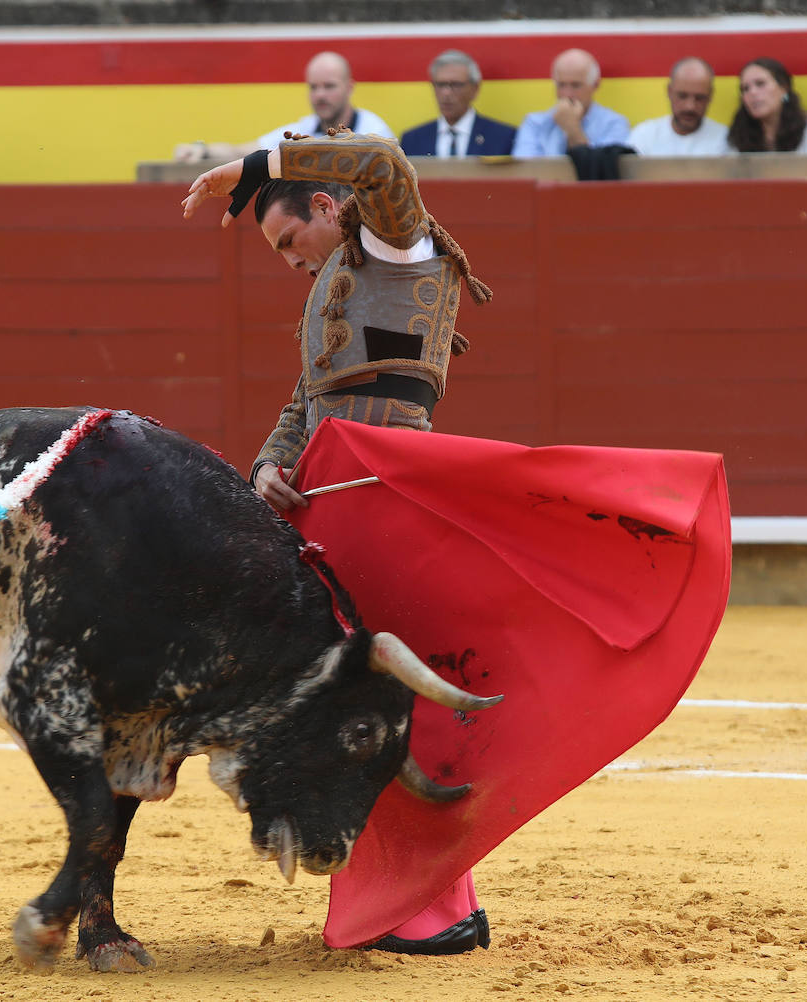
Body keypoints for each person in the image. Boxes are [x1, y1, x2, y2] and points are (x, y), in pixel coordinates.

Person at [180, 133, 493, 955]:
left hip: (389, 497)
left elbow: (383, 161)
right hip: (342, 502)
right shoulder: (343, 283)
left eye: (289, 240)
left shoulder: (394, 241)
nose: (288, 261)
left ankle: (423, 908)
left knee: (375, 705)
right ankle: (436, 901)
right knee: (371, 698)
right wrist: (270, 463)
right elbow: (308, 396)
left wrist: (255, 166)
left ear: (326, 207)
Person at [173, 51, 393, 163]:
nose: (320, 95)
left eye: (329, 86)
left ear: (350, 88)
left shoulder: (374, 131)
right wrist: (202, 150)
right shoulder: (304, 129)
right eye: (314, 87)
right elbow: (246, 151)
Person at [511, 48, 630, 157]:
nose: (567, 94)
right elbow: (526, 170)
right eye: (561, 85)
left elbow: (604, 172)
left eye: (576, 85)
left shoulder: (614, 123)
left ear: (595, 85)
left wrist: (573, 129)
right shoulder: (535, 123)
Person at [398, 50, 516, 158]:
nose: (446, 93)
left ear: (475, 89)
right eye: (440, 84)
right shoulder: (412, 139)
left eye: (456, 85)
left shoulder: (502, 137)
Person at [728, 58, 807, 154]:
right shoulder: (739, 134)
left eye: (760, 84)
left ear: (784, 88)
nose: (752, 93)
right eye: (745, 89)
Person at [627, 57, 729, 156]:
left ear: (710, 96)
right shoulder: (643, 136)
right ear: (669, 91)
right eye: (682, 96)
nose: (690, 107)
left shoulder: (725, 140)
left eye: (699, 98)